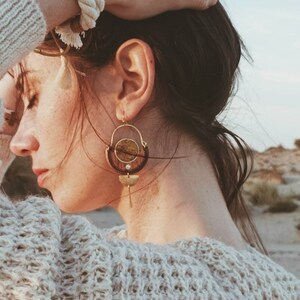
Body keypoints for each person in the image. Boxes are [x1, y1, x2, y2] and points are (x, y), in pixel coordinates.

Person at [0, 1, 299, 300]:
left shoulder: (89, 277)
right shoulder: (283, 287)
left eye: (33, 97)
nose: (18, 142)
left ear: (131, 81)